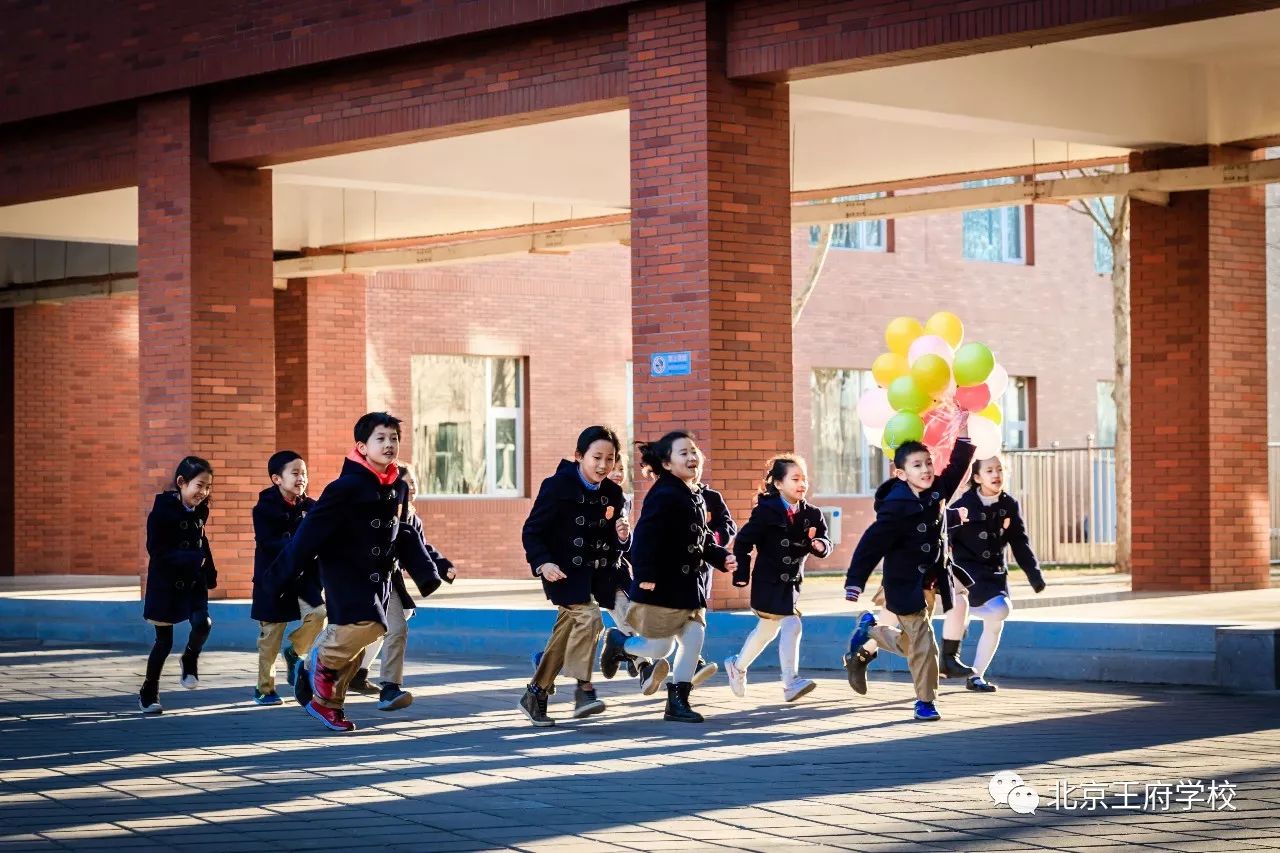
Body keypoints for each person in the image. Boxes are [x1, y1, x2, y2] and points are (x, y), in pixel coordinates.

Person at [271, 412, 443, 732]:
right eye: (381, 439)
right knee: (362, 627)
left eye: (393, 439)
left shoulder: (393, 486)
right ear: (362, 447)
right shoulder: (346, 486)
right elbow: (310, 533)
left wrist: (430, 569)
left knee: (375, 631)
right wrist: (279, 577)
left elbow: (403, 533)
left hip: (378, 576)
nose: (389, 444)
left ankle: (326, 704)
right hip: (345, 573)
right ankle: (317, 662)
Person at [599, 431, 734, 723]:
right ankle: (620, 643)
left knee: (694, 636)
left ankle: (677, 701)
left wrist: (722, 557)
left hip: (688, 588)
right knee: (662, 647)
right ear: (668, 464)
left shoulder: (695, 494)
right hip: (660, 586)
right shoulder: (664, 494)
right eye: (683, 453)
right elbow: (645, 538)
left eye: (694, 451)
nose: (692, 457)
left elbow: (701, 541)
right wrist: (645, 575)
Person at [842, 425, 975, 722]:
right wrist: (855, 582)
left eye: (928, 463)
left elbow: (958, 467)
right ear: (901, 473)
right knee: (925, 645)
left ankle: (871, 630)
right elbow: (871, 545)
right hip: (903, 585)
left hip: (930, 582)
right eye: (917, 465)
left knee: (914, 645)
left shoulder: (937, 490)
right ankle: (925, 702)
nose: (926, 469)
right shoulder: (896, 507)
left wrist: (963, 432)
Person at [518, 426, 628, 727]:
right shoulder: (557, 486)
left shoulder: (613, 493)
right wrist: (543, 563)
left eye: (610, 458)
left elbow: (615, 542)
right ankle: (583, 689)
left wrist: (621, 537)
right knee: (590, 619)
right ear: (579, 456)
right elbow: (532, 531)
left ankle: (535, 693)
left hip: (596, 576)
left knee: (566, 633)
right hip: (562, 572)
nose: (603, 465)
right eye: (596, 457)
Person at [724, 455, 831, 702]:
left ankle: (737, 666)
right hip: (768, 582)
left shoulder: (812, 514)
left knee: (766, 630)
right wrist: (741, 575)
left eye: (804, 478)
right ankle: (790, 682)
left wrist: (821, 546)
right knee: (792, 624)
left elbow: (825, 540)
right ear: (779, 484)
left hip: (791, 583)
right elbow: (743, 542)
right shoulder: (765, 512)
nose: (802, 483)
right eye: (795, 479)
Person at [350, 463, 456, 711]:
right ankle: (315, 669)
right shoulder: (374, 508)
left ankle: (390, 687)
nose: (412, 489)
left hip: (390, 580)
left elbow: (421, 548)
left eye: (414, 484)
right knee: (351, 632)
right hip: (359, 579)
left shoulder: (412, 518)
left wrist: (442, 565)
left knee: (397, 628)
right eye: (406, 485)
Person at [947, 455, 1045, 692]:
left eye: (999, 469)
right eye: (989, 470)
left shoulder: (1008, 504)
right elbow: (946, 536)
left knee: (996, 621)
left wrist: (1034, 574)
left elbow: (1019, 542)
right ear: (977, 477)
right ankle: (964, 616)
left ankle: (976, 676)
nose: (996, 474)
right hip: (969, 572)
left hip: (995, 572)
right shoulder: (964, 505)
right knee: (1000, 610)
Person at [139, 456, 216, 715]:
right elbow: (156, 551)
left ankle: (190, 657)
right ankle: (149, 691)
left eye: (208, 487)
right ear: (182, 483)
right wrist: (193, 558)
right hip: (166, 584)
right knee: (164, 643)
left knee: (203, 623)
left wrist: (209, 569)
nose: (204, 492)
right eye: (199, 485)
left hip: (194, 580)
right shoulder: (161, 512)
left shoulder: (200, 511)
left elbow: (202, 542)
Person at [250, 451, 325, 706]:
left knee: (320, 613)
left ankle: (294, 651)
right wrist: (301, 545)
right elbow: (270, 543)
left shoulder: (311, 507)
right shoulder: (264, 509)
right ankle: (264, 689)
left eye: (304, 473)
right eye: (295, 473)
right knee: (270, 635)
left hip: (303, 579)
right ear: (276, 479)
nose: (301, 478)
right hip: (273, 580)